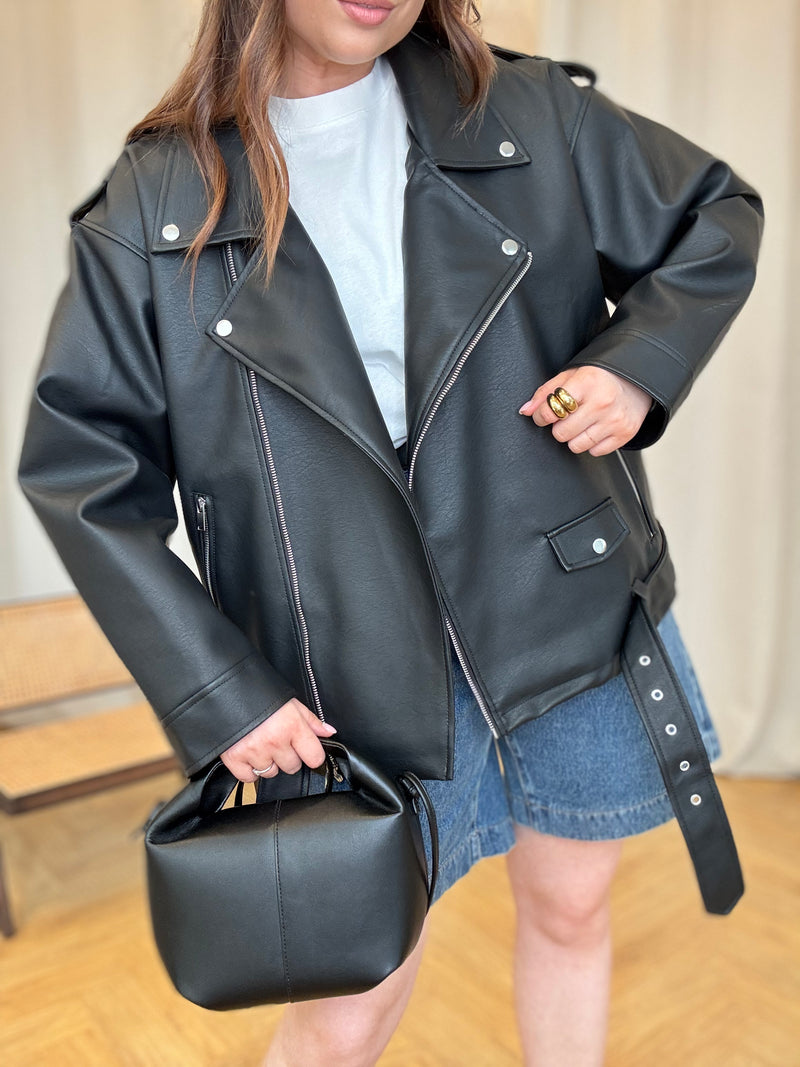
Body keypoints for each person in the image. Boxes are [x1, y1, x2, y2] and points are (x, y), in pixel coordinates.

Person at [18, 0, 762, 1064]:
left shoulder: (525, 112)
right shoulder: (155, 204)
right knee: (348, 1006)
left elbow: (712, 214)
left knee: (569, 910)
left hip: (567, 608)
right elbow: (84, 472)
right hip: (339, 671)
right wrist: (221, 690)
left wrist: (635, 367)